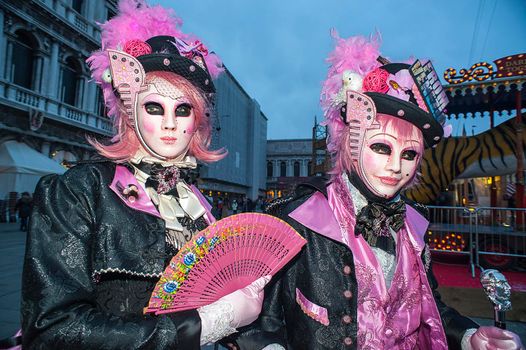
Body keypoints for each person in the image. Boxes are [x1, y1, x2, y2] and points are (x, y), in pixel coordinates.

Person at [231, 34, 524, 349]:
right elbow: (254, 319)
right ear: (352, 144)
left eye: (409, 154)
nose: (396, 166)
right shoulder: (300, 218)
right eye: (382, 147)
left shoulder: (414, 224)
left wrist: (468, 336)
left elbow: (430, 306)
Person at [20, 1, 268, 348]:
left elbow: (221, 295)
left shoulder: (194, 202)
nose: (170, 123)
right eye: (154, 107)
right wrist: (206, 325)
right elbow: (54, 329)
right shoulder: (80, 192)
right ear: (129, 112)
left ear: (198, 122)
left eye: (183, 110)